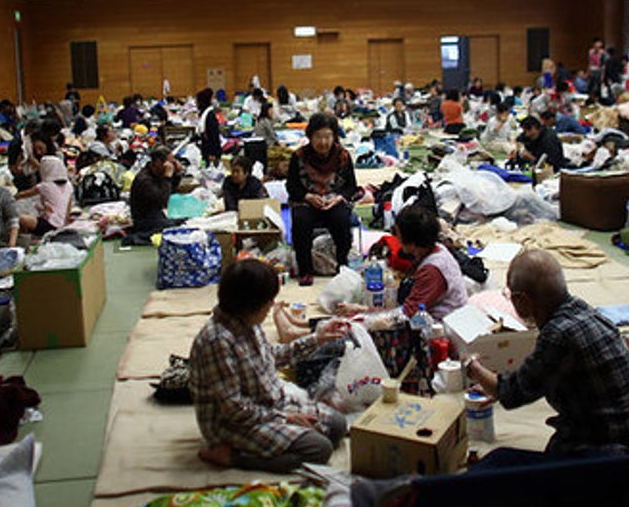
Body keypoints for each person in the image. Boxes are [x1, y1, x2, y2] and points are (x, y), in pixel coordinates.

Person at [465, 249, 629, 460]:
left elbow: (511, 393)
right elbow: (537, 374)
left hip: (611, 452)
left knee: (497, 462)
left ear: (522, 300)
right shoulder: (583, 311)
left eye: (511, 296)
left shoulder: (559, 335)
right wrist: (497, 383)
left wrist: (472, 367)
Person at [189, 258, 350, 473]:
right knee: (319, 449)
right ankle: (231, 457)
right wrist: (285, 418)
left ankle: (283, 434)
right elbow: (233, 408)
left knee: (337, 425)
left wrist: (317, 339)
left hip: (268, 405)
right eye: (268, 301)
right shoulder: (216, 341)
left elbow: (272, 356)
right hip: (235, 423)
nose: (271, 305)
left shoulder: (247, 323)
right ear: (250, 304)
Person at [337, 205, 466, 320]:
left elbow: (406, 314)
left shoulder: (431, 270)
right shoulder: (435, 249)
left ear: (410, 240)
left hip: (440, 323)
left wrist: (363, 312)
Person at [286, 112, 358, 286]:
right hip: (307, 200)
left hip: (333, 201)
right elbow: (292, 186)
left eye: (328, 136)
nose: (323, 142)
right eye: (318, 136)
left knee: (341, 219)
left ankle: (342, 265)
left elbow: (351, 186)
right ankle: (305, 270)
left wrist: (338, 198)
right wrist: (308, 196)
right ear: (310, 136)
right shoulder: (299, 156)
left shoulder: (343, 156)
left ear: (334, 136)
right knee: (300, 220)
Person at [129, 146, 184, 235]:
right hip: (145, 220)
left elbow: (170, 189)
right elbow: (162, 200)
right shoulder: (144, 180)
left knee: (184, 220)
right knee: (176, 229)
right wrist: (167, 177)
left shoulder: (156, 173)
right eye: (170, 163)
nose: (171, 166)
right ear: (158, 162)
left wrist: (177, 174)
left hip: (157, 214)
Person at [17, 155, 73, 236]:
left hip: (49, 224)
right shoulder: (69, 186)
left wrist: (13, 197)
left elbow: (24, 194)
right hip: (62, 224)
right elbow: (68, 209)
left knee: (19, 219)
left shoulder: (45, 186)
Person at [196, 87, 222, 167]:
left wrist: (213, 154)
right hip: (206, 151)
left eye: (196, 101)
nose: (195, 103)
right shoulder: (205, 114)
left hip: (211, 153)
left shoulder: (210, 116)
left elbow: (214, 136)